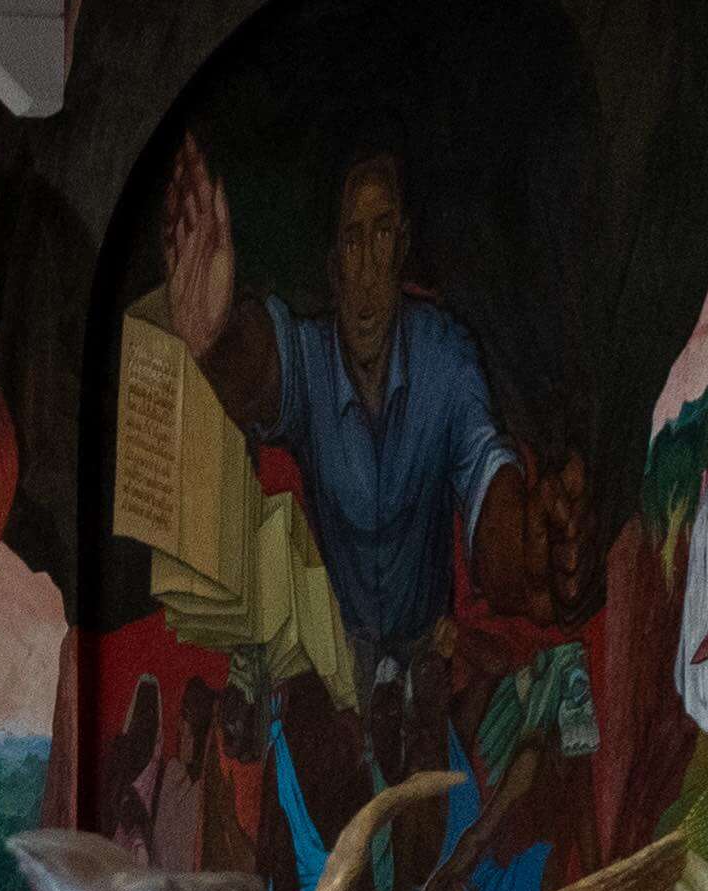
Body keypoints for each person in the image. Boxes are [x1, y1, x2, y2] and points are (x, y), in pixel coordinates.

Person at [163, 138, 591, 828]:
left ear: (404, 245)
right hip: (344, 663)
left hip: (429, 652)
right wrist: (216, 343)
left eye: (382, 234)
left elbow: (488, 478)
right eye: (351, 241)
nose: (366, 270)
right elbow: (261, 370)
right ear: (333, 264)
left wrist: (527, 548)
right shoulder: (310, 358)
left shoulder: (446, 355)